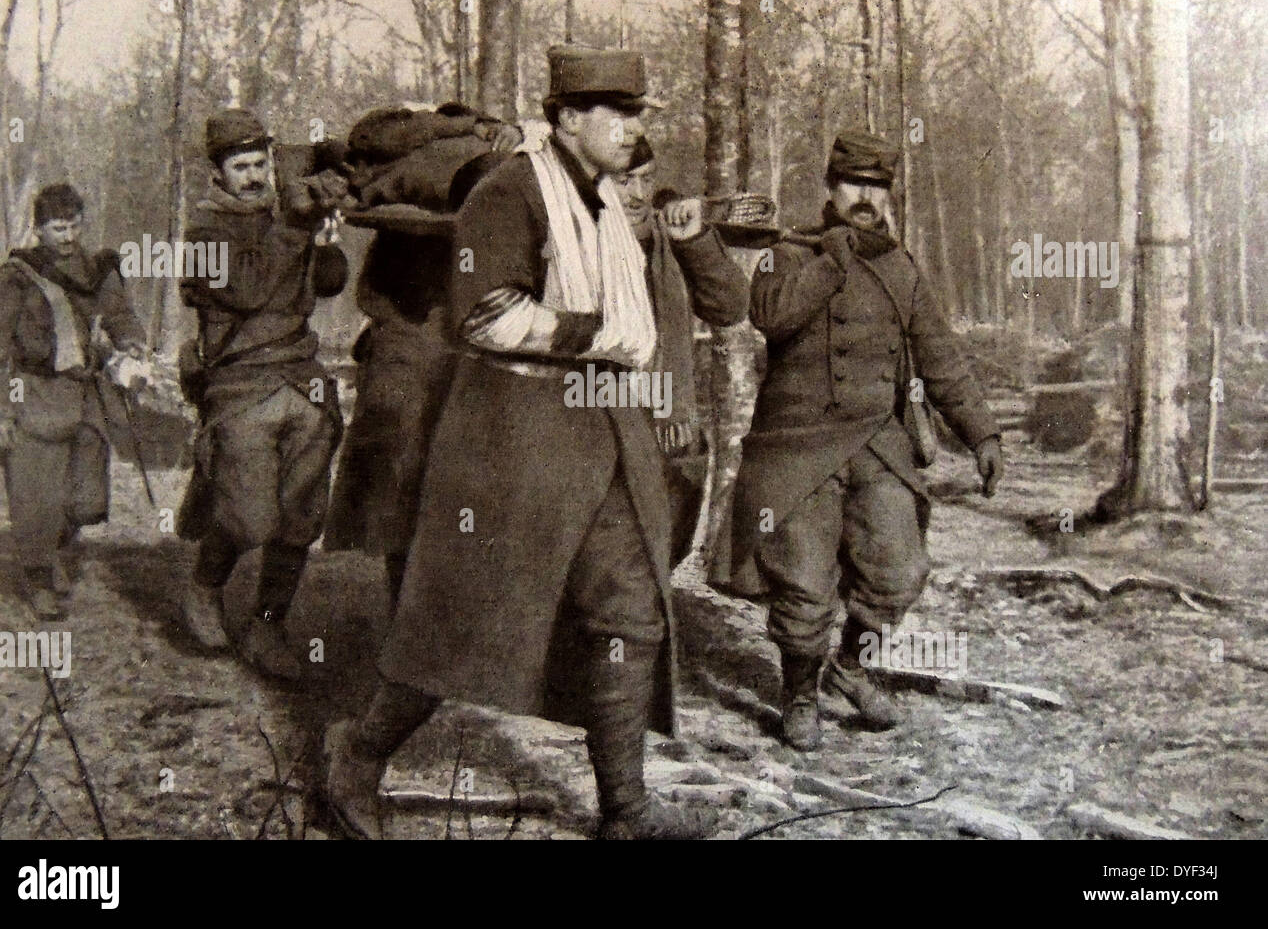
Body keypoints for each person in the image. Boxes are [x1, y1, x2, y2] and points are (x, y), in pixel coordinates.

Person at [324, 46, 717, 840]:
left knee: (632, 613)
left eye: (640, 112)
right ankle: (355, 756)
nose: (635, 127)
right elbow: (486, 314)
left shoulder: (605, 201)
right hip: (515, 432)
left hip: (607, 426)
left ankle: (626, 810)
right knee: (458, 624)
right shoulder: (511, 191)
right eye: (621, 111)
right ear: (569, 117)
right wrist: (597, 334)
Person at [727, 131, 1004, 750]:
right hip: (797, 445)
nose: (865, 198)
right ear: (830, 187)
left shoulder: (901, 267)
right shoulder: (787, 252)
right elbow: (771, 317)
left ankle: (848, 667)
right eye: (854, 184)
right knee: (802, 582)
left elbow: (941, 355)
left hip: (878, 443)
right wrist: (832, 259)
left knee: (899, 570)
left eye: (877, 188)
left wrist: (981, 431)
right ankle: (799, 694)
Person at [175, 108, 349, 682]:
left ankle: (269, 622)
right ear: (219, 173)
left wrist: (326, 230)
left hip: (300, 374)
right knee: (250, 520)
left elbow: (327, 284)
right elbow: (248, 290)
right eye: (240, 166)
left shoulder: (285, 215)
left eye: (260, 164)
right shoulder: (202, 232)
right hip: (240, 382)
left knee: (302, 518)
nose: (253, 176)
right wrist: (296, 225)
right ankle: (204, 586)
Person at [323, 120, 522, 609]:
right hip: (412, 339)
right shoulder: (422, 175)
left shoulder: (510, 180)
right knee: (403, 484)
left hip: (470, 351)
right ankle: (403, 620)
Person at [0, 183, 148, 620]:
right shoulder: (17, 276)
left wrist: (131, 342)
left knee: (87, 500)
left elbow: (121, 313)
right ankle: (38, 577)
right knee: (37, 497)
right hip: (35, 394)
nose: (67, 237)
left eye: (73, 226)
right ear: (38, 229)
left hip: (85, 394)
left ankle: (53, 548)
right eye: (57, 228)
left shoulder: (97, 269)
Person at [609, 137, 748, 560]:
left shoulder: (670, 237)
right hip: (604, 429)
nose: (637, 193)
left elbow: (729, 306)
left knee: (661, 558)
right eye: (623, 180)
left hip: (671, 433)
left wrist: (695, 242)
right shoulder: (580, 238)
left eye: (646, 179)